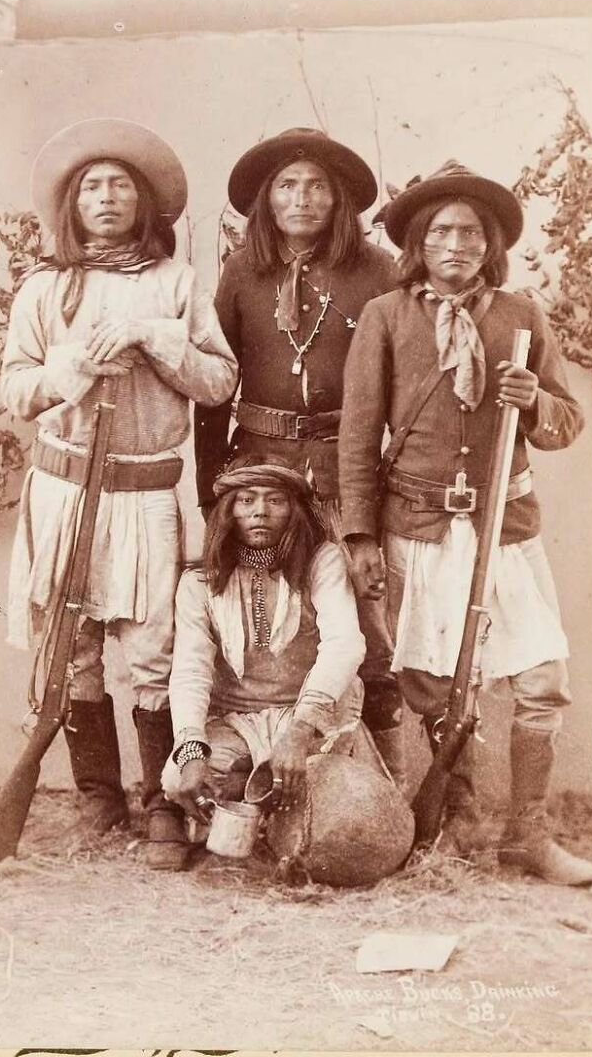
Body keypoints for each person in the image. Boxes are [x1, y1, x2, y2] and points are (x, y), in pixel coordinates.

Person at [338, 159, 592, 886]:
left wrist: (535, 399)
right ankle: (455, 818)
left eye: (470, 234)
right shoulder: (386, 317)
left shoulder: (522, 317)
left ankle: (527, 834)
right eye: (440, 233)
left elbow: (565, 423)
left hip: (503, 527)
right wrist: (360, 535)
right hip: (417, 528)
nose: (455, 246)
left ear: (491, 245)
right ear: (418, 244)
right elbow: (357, 436)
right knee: (432, 682)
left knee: (542, 678)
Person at [0, 118, 238, 869]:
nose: (106, 198)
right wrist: (70, 368)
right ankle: (98, 796)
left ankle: (163, 801)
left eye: (121, 186)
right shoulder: (44, 287)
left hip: (145, 494)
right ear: (72, 204)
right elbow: (15, 388)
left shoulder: (177, 284)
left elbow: (219, 381)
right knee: (72, 649)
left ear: (144, 203)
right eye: (92, 187)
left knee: (151, 652)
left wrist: (153, 337)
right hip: (66, 492)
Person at [194, 127, 403, 756]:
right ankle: (255, 762)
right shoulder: (241, 271)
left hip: (344, 471)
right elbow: (216, 384)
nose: (302, 198)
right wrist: (211, 488)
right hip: (261, 471)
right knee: (266, 615)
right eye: (287, 186)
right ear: (267, 199)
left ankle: (377, 783)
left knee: (366, 622)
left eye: (317, 186)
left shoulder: (377, 271)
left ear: (339, 199)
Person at [162, 456, 366, 827]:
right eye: (247, 500)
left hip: (309, 717)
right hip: (234, 721)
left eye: (275, 500)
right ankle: (249, 795)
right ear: (228, 511)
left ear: (294, 510)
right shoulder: (199, 582)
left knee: (333, 802)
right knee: (180, 780)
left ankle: (261, 794)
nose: (260, 511)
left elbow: (345, 644)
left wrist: (299, 731)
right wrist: (190, 751)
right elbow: (191, 670)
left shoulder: (322, 562)